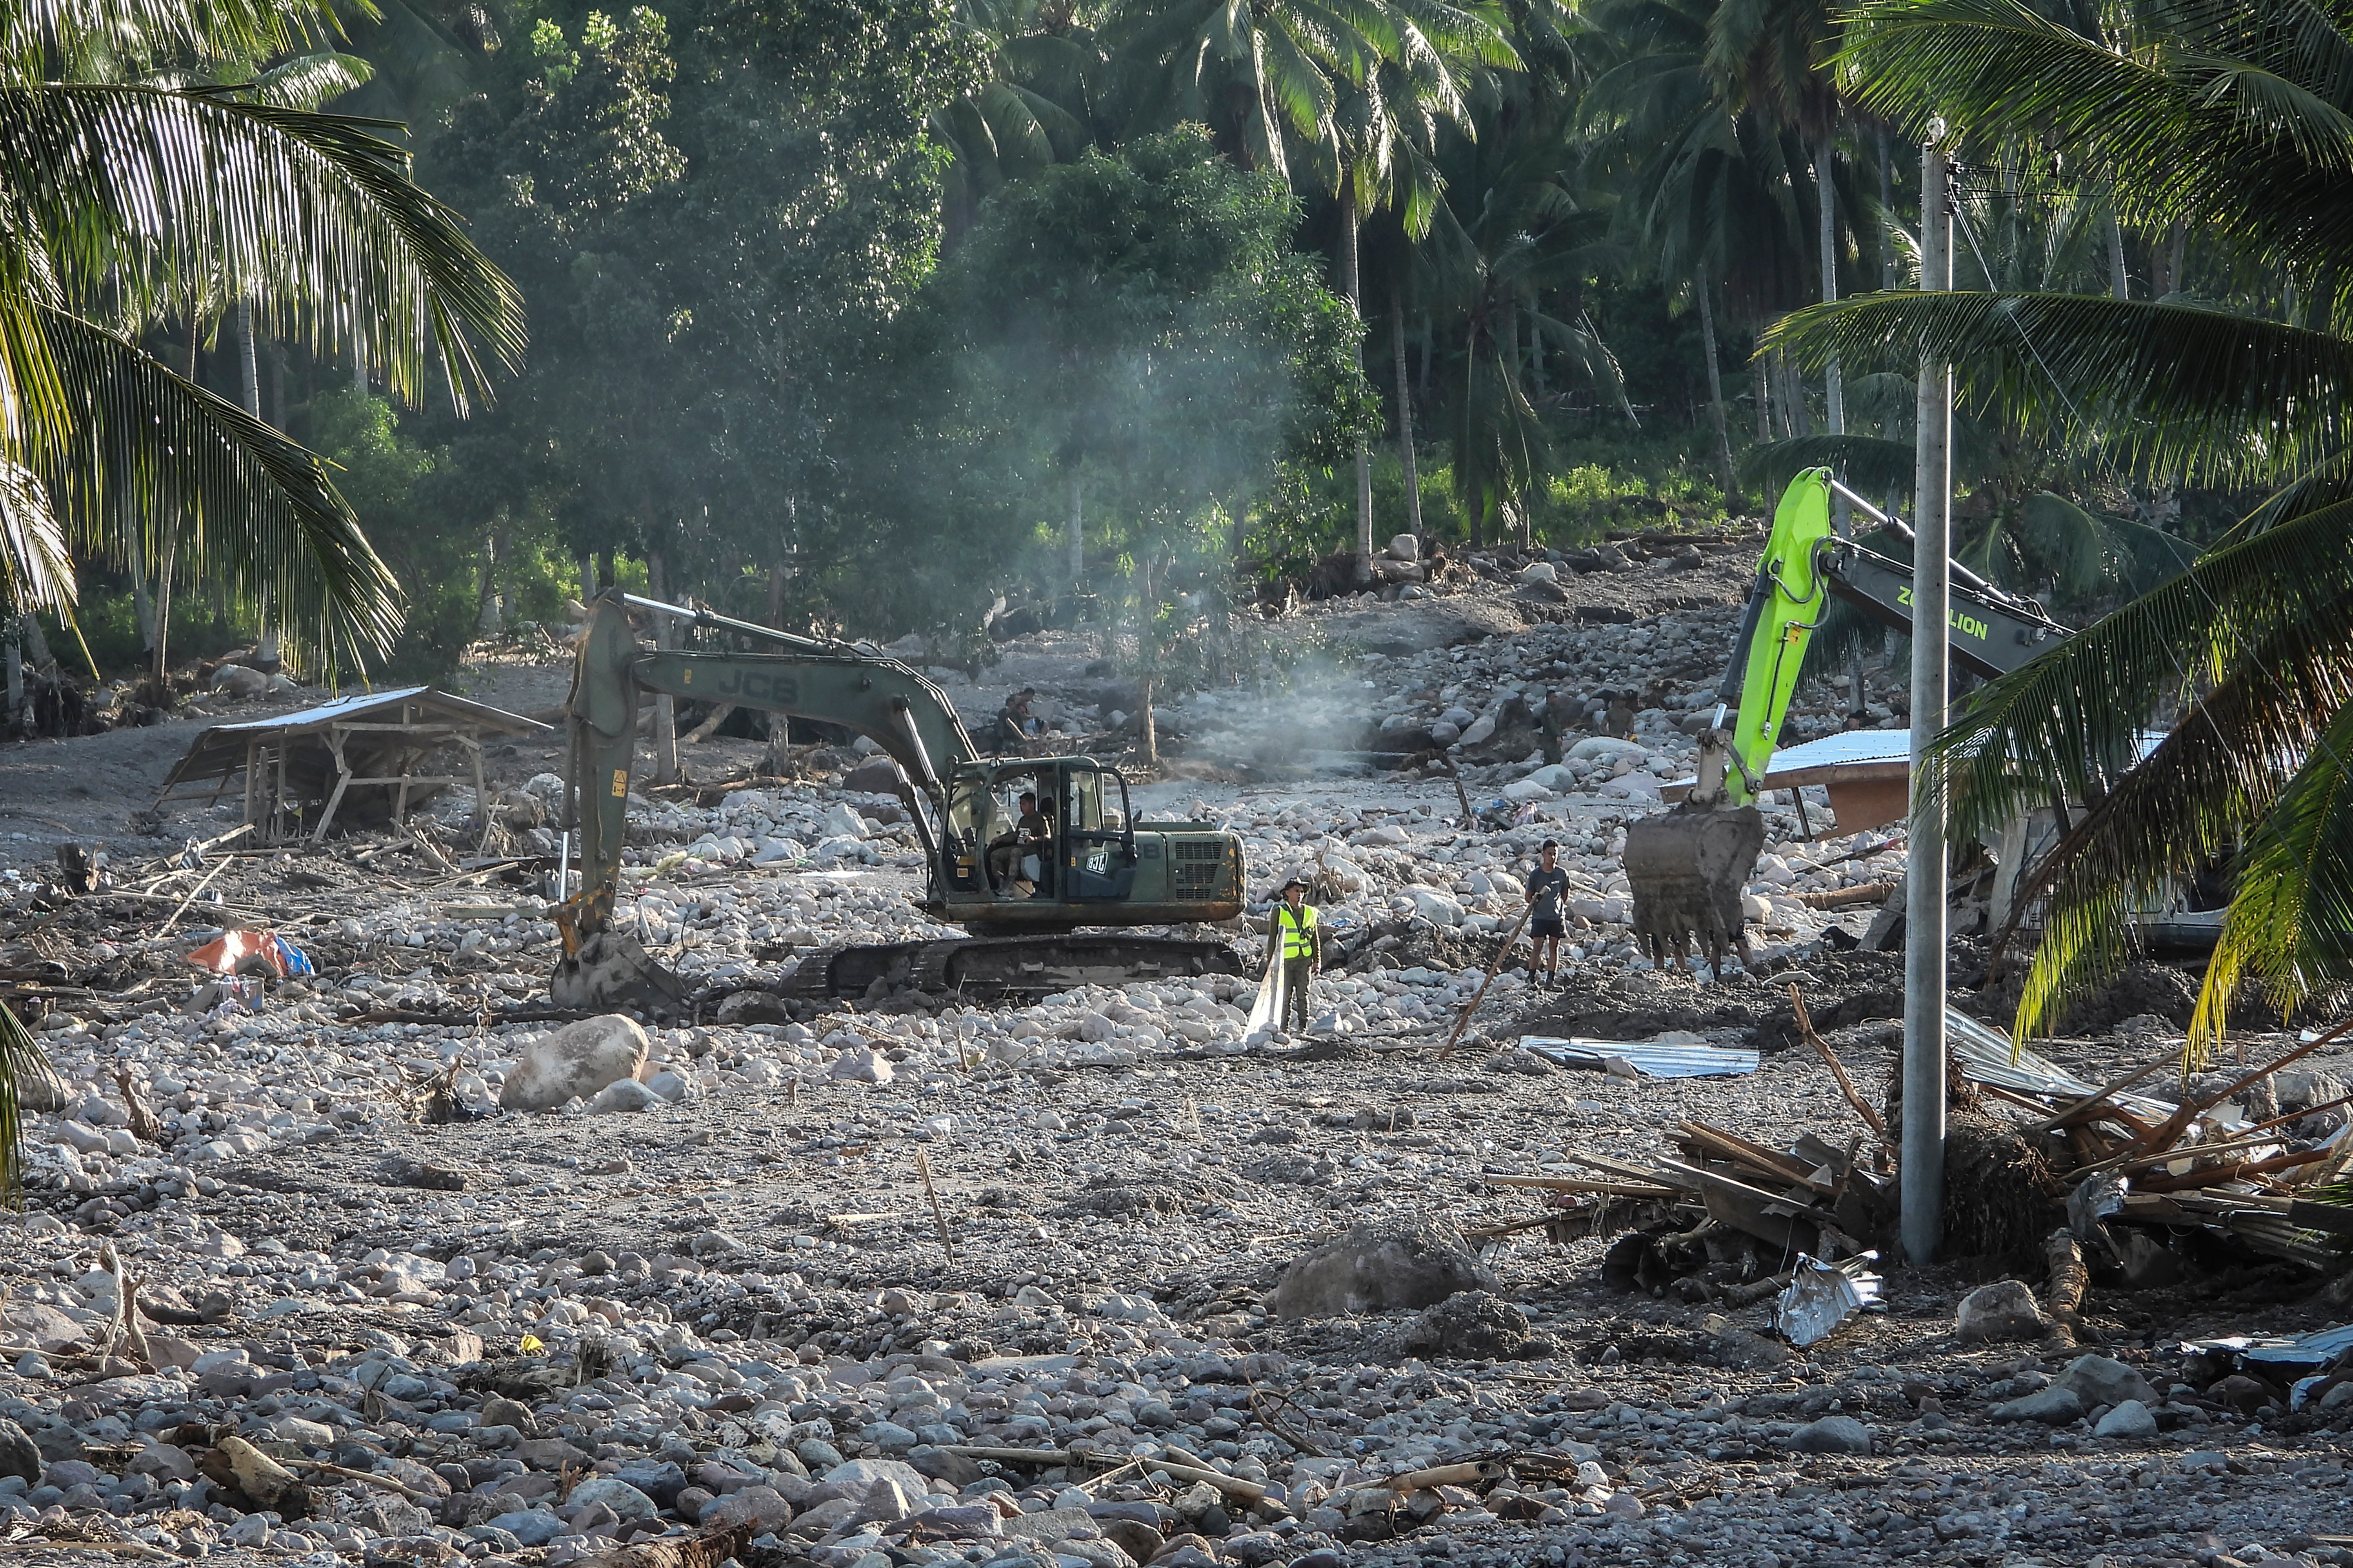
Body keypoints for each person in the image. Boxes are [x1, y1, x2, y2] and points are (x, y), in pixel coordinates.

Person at [1267, 876, 1322, 1036]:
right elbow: (1273, 938)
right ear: (1287, 893)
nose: (1300, 894)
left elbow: (1315, 937)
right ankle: (1284, 1029)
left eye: (1302, 891)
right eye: (1296, 891)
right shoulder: (1279, 911)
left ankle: (1302, 1028)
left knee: (1303, 995)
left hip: (1304, 960)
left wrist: (1317, 961)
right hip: (1286, 960)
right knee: (1285, 997)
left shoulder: (1310, 913)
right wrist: (1271, 961)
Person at [1525, 839, 1569, 986]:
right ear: (1543, 854)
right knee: (1537, 947)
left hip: (1557, 917)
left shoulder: (1562, 874)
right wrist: (1538, 906)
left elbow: (1565, 895)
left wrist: (1557, 908)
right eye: (1550, 854)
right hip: (1540, 917)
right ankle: (1531, 978)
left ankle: (1550, 979)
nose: (1552, 857)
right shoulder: (1536, 875)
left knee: (1554, 947)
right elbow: (1528, 897)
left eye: (1555, 854)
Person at [987, 790, 1049, 887]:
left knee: (1016, 852)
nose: (1021, 807)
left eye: (1024, 804)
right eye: (1021, 804)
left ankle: (1011, 884)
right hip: (1020, 847)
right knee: (996, 854)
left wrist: (1034, 839)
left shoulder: (1040, 819)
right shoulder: (1023, 820)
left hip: (1033, 850)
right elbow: (1016, 835)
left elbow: (1048, 836)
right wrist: (1000, 839)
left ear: (1032, 804)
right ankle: (1001, 882)